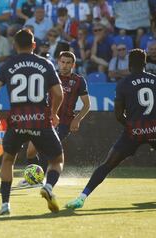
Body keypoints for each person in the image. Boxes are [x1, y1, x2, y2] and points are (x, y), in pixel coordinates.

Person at [0, 29, 64, 215]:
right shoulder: (45, 64)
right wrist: (54, 113)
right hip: (40, 121)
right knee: (57, 160)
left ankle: (5, 204)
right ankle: (49, 187)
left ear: (15, 45)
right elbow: (59, 93)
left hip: (17, 121)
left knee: (8, 159)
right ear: (34, 45)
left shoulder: (8, 65)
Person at [66, 49, 156, 209]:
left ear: (129, 65)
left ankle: (82, 197)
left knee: (107, 165)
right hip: (154, 129)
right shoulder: (154, 80)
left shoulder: (124, 83)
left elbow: (118, 114)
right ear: (145, 64)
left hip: (134, 131)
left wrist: (131, 127)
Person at [19, 51, 90, 187]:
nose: (65, 65)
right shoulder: (50, 77)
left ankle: (38, 180)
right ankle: (34, 176)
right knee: (30, 151)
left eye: (68, 63)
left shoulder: (79, 81)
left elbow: (87, 105)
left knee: (45, 148)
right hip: (45, 119)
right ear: (58, 62)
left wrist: (77, 119)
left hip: (64, 122)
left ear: (73, 64)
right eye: (62, 62)